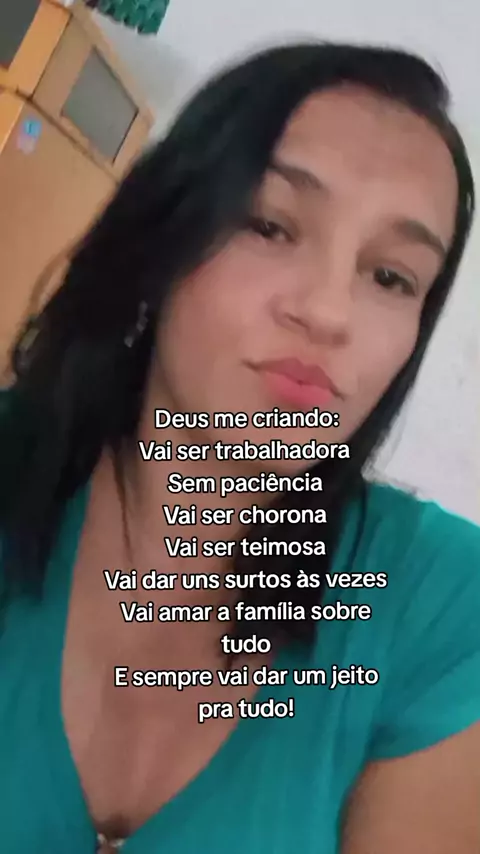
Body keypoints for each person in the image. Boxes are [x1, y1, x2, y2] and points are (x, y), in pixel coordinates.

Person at [0, 41, 479, 854]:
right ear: (160, 242)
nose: (329, 312)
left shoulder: (443, 606)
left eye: (391, 277)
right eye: (269, 225)